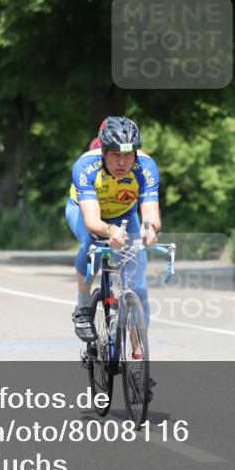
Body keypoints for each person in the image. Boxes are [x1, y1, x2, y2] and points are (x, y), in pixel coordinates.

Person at [66, 116, 161, 344]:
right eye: (116, 155)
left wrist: (150, 231)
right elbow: (92, 221)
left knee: (138, 286)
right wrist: (110, 231)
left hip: (125, 214)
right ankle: (82, 306)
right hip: (85, 212)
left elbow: (150, 216)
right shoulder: (86, 166)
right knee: (90, 243)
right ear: (104, 152)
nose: (122, 162)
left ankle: (138, 358)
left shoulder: (146, 168)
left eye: (128, 155)